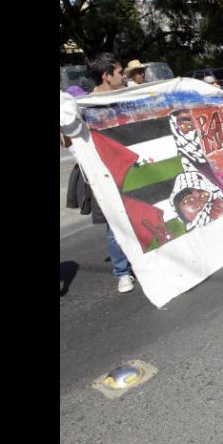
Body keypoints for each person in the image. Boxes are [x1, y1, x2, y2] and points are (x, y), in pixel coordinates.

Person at [85, 53, 136, 293]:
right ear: (106, 76)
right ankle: (122, 272)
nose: (123, 76)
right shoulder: (83, 107)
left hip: (132, 168)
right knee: (116, 226)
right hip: (106, 175)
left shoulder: (127, 97)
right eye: (119, 73)